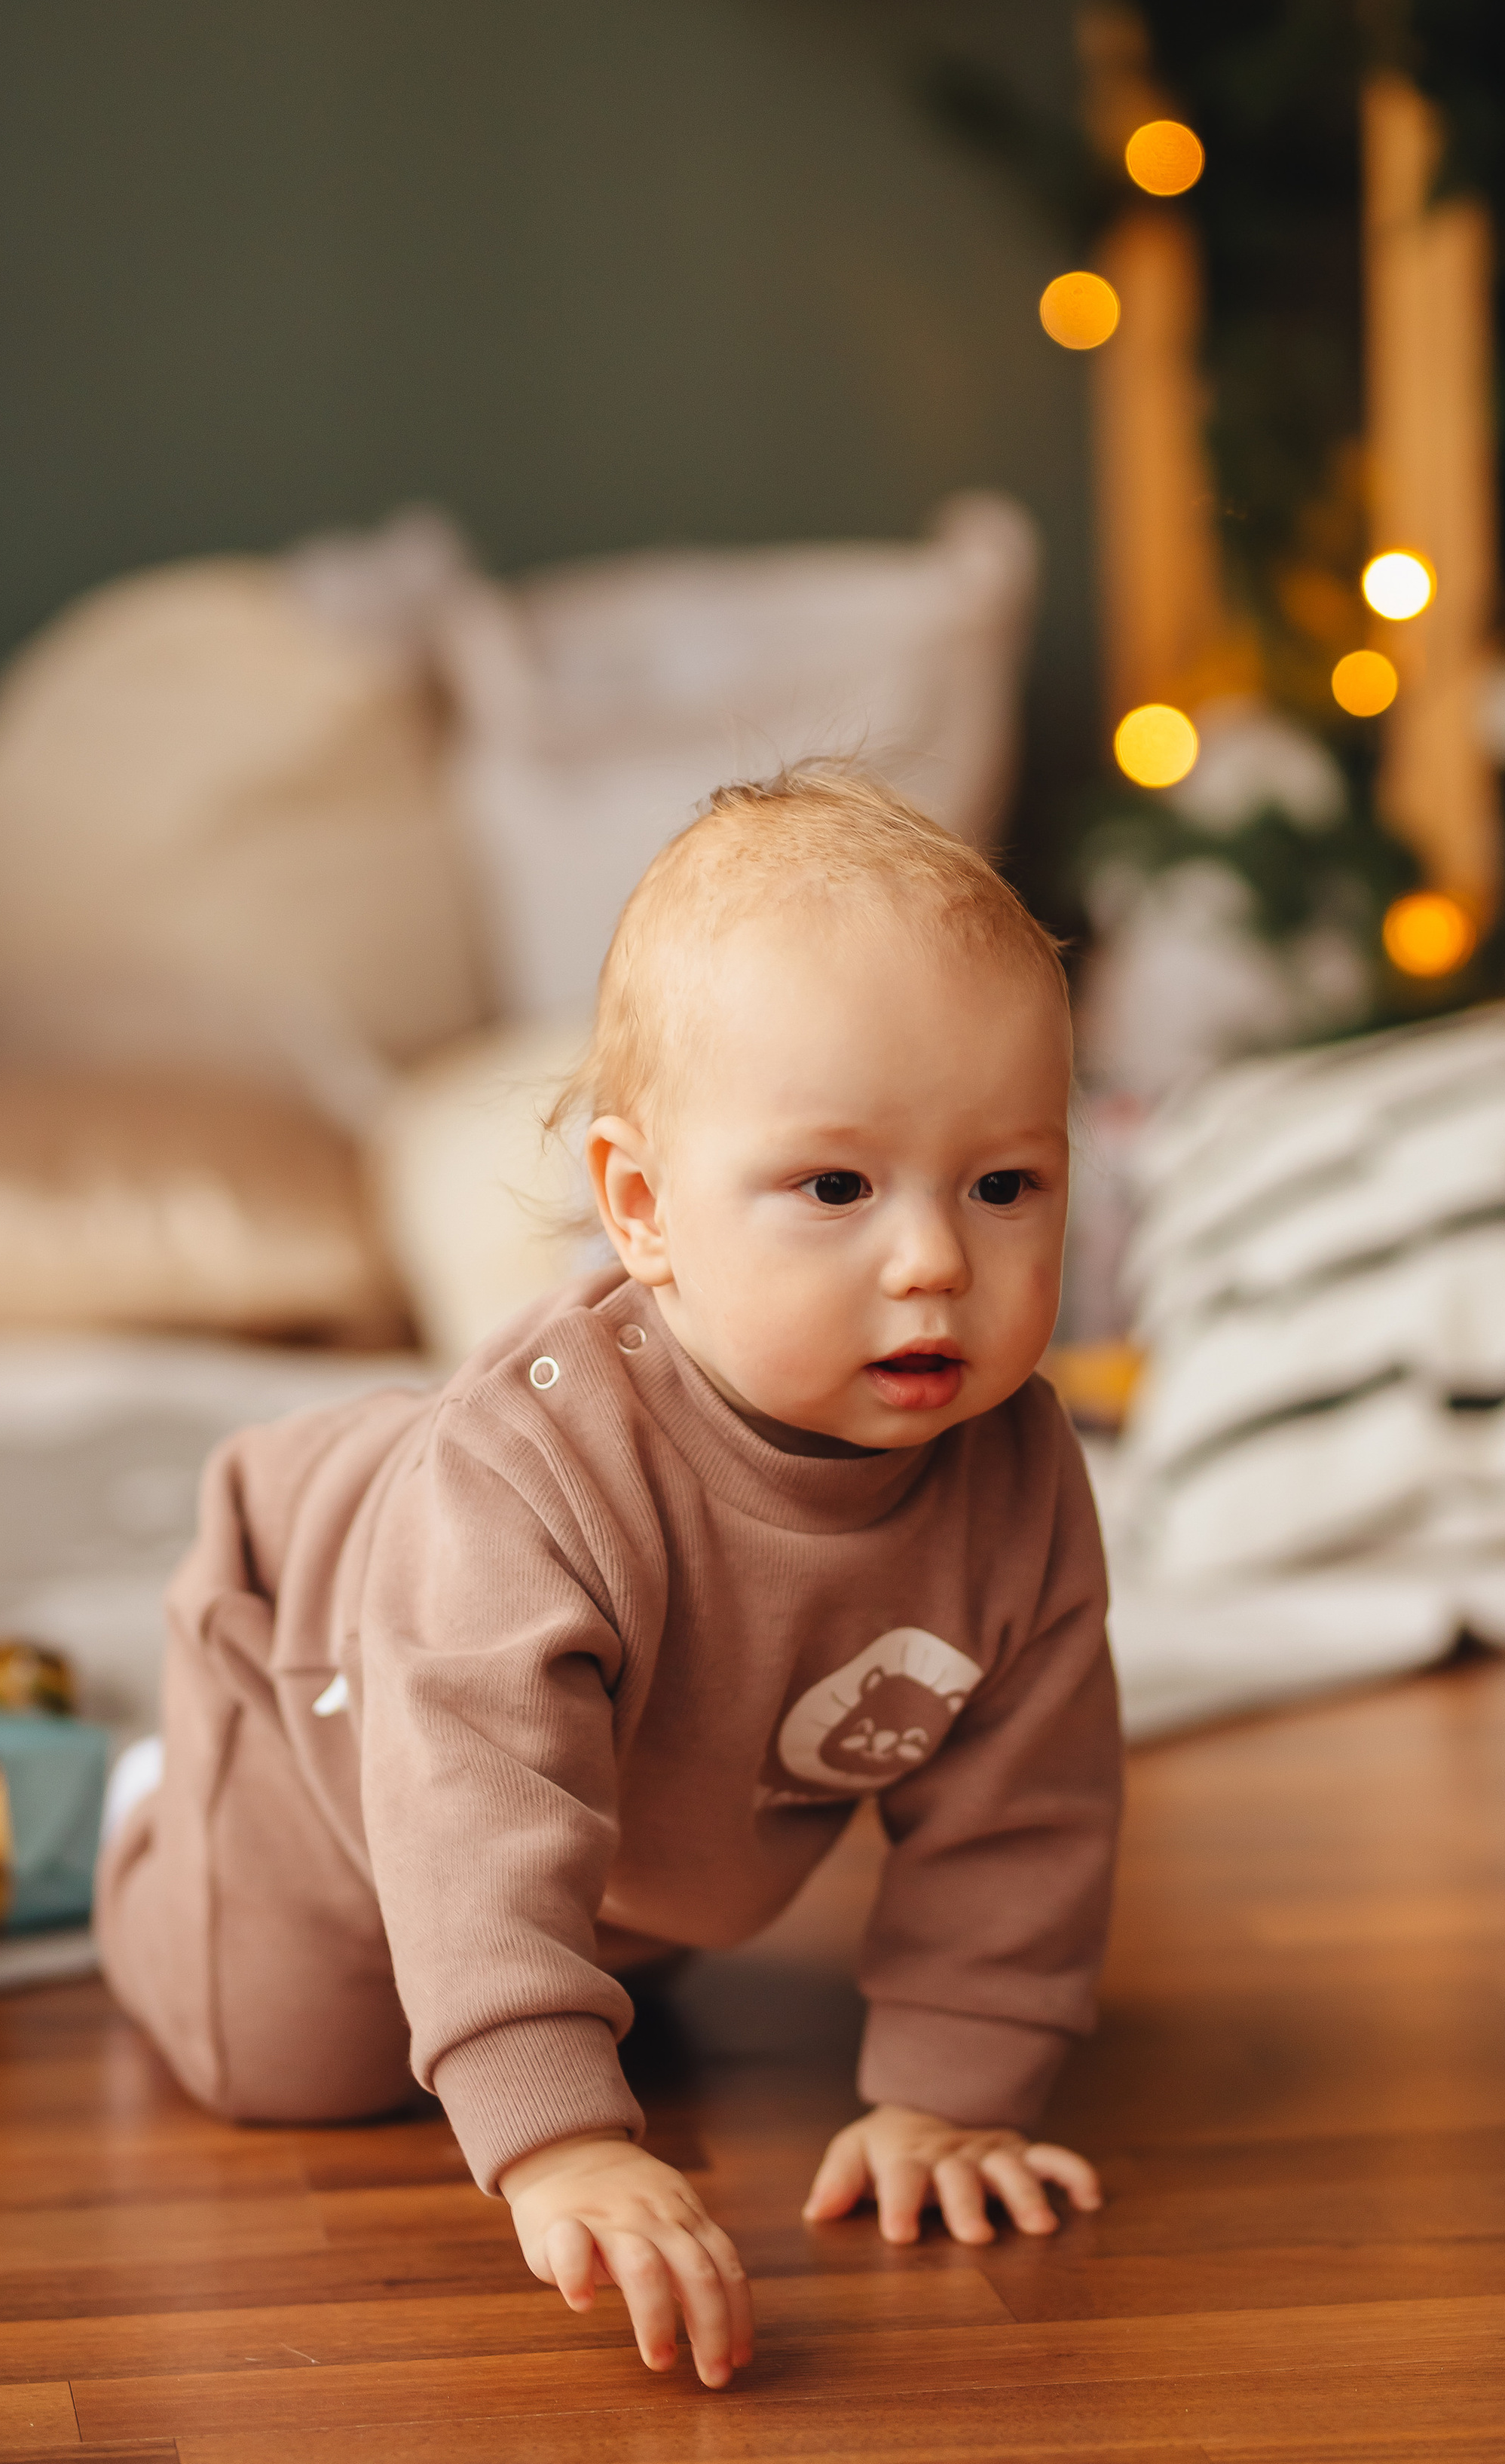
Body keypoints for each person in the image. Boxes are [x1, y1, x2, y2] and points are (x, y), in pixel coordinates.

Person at [97, 768, 1121, 2391]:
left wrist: (952, 2090)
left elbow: (1029, 1801)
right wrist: (555, 2137)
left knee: (611, 1927)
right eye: (837, 1190)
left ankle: (588, 1945)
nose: (933, 1259)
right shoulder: (533, 1483)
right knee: (290, 2062)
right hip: (344, 1729)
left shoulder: (1014, 1477)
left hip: (635, 1812)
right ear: (639, 1207)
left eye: (1003, 1184)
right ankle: (155, 1804)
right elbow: (474, 1807)